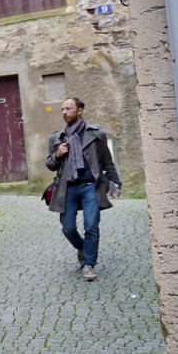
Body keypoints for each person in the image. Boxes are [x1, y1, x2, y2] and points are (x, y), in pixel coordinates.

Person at [46, 97, 121, 281]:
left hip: (90, 187)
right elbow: (49, 164)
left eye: (68, 109)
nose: (64, 112)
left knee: (91, 226)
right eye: (62, 109)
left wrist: (116, 183)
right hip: (67, 188)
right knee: (68, 228)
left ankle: (88, 264)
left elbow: (107, 161)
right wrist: (57, 154)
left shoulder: (97, 134)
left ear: (79, 110)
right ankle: (83, 248)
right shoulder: (56, 138)